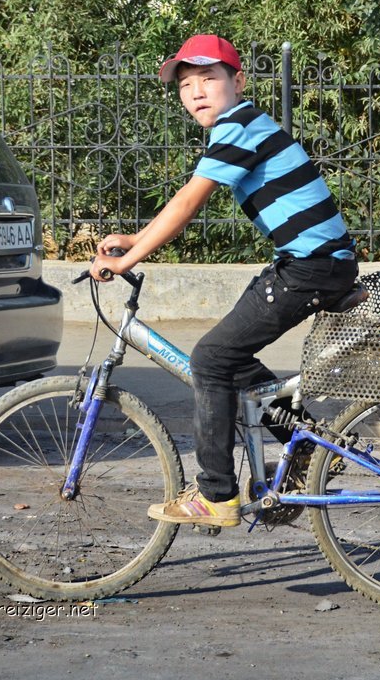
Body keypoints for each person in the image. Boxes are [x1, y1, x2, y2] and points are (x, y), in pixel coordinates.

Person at [91, 34, 358, 527]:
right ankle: (314, 445)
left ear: (238, 82)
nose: (195, 92)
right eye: (185, 84)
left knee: (211, 359)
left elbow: (188, 202)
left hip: (311, 266)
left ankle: (216, 495)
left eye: (207, 78)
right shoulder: (242, 126)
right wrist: (135, 239)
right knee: (229, 357)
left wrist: (128, 261)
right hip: (312, 263)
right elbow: (184, 200)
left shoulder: (239, 126)